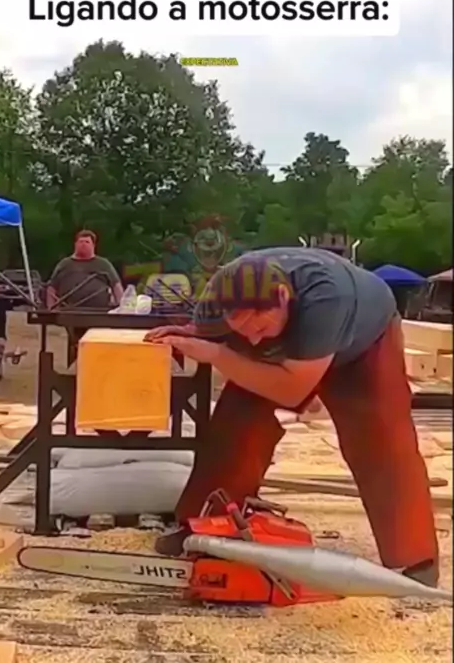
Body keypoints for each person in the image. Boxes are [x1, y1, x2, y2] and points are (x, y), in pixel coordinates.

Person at [145, 247, 439, 588]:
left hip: (363, 341)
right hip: (294, 338)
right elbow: (208, 333)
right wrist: (189, 339)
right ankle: (202, 526)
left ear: (283, 296)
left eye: (260, 326)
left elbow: (290, 391)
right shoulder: (216, 301)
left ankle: (415, 559)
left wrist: (218, 355)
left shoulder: (326, 300)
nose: (253, 337)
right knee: (234, 425)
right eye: (242, 329)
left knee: (380, 438)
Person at [46, 230, 123, 310]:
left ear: (93, 245)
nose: (83, 244)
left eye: (87, 242)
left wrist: (121, 308)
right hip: (67, 310)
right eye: (81, 242)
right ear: (75, 244)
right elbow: (52, 288)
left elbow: (116, 286)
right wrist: (52, 308)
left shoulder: (103, 264)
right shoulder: (65, 264)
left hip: (99, 311)